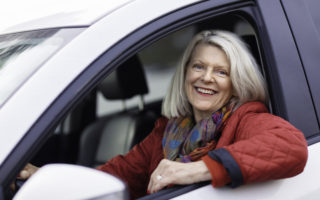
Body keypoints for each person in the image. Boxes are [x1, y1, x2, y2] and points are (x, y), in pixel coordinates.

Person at [18, 30, 308, 199]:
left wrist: (195, 169)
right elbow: (118, 175)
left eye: (221, 72)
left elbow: (291, 147)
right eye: (198, 67)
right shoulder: (168, 131)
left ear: (237, 83)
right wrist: (43, 177)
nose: (206, 78)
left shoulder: (246, 119)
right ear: (185, 74)